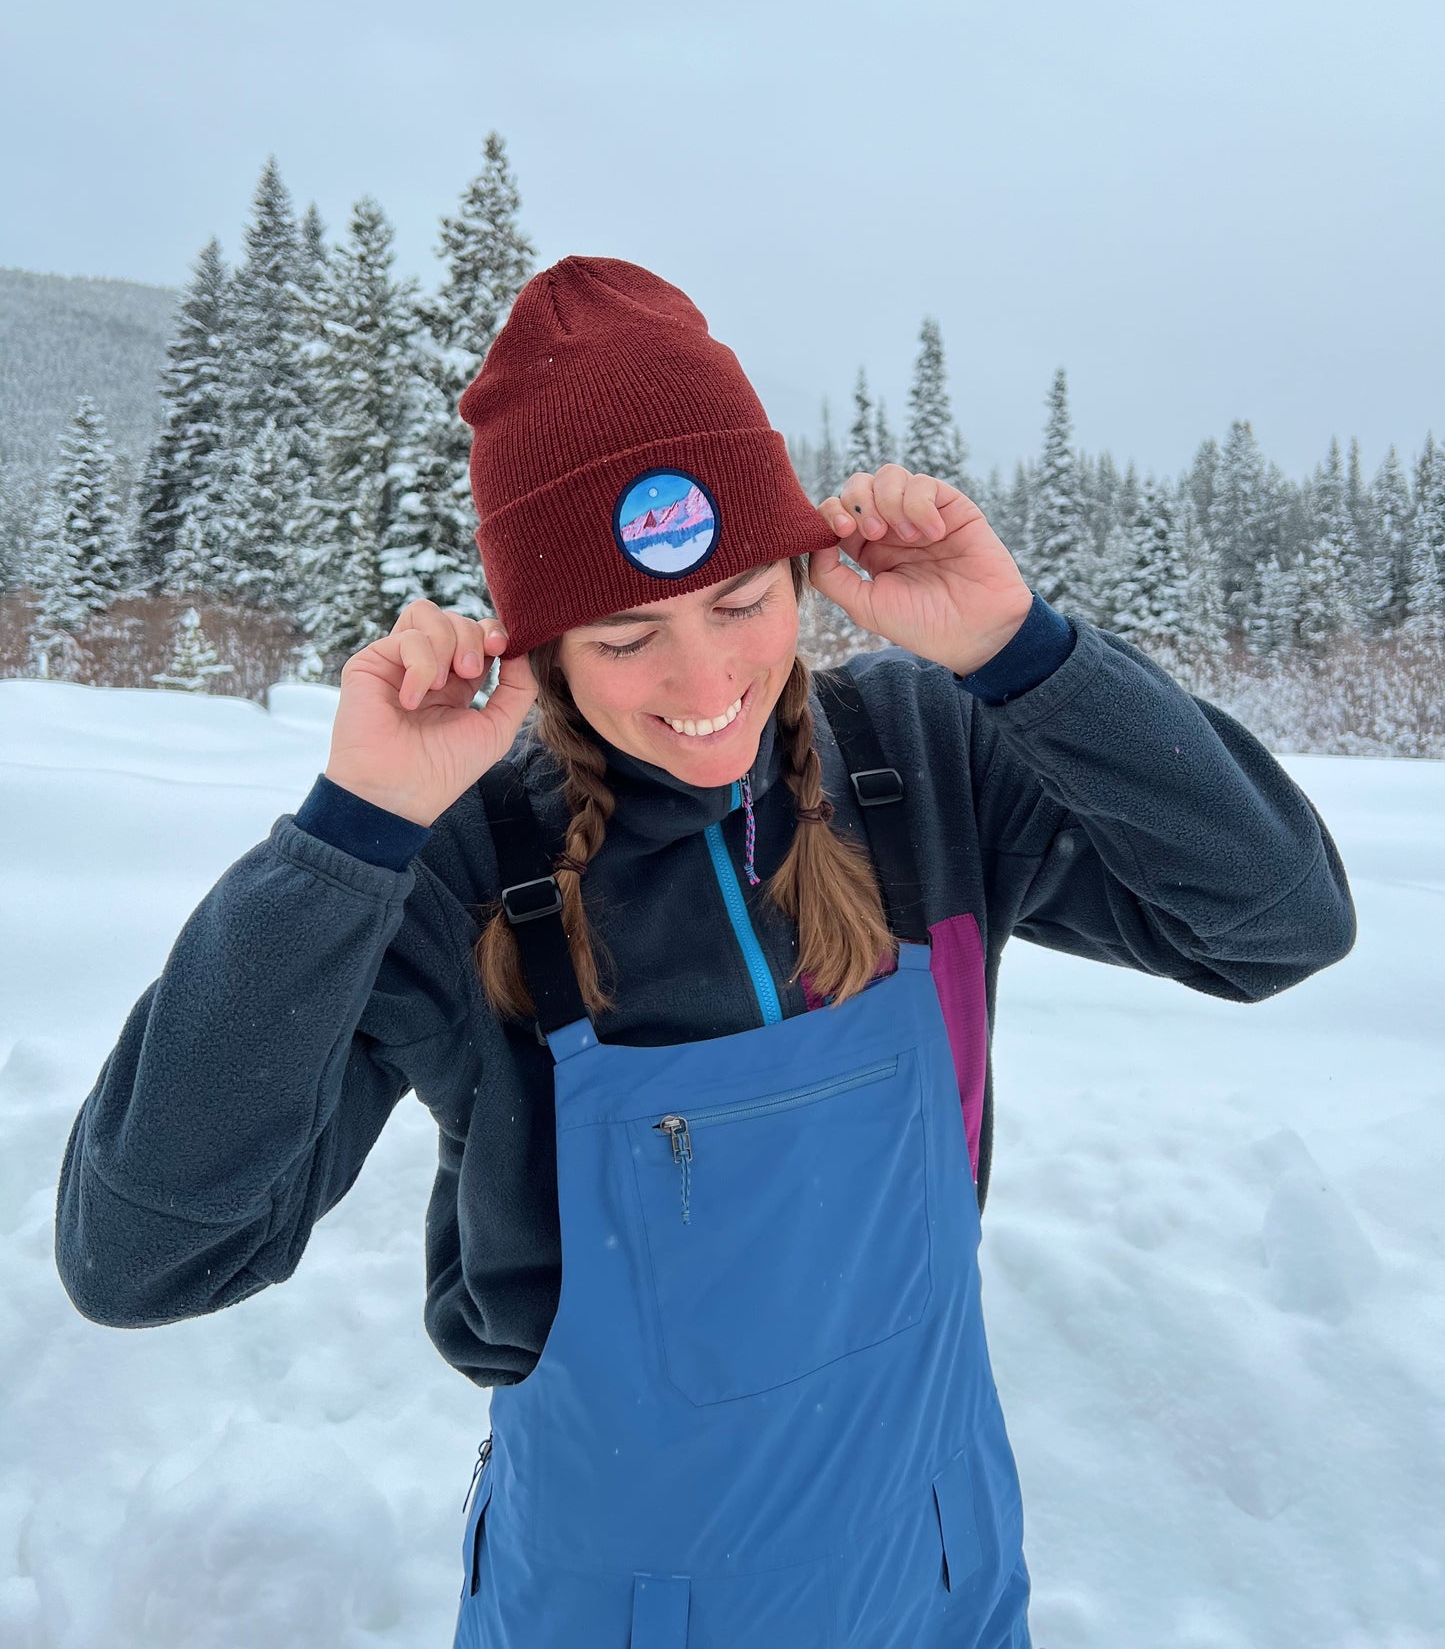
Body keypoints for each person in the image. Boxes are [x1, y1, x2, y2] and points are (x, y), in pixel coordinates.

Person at [54, 255, 1357, 1648]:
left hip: (939, 1575)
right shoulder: (468, 865)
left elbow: (1274, 924)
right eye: (625, 635)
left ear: (804, 570)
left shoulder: (925, 764)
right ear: (545, 653)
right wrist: (350, 838)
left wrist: (1019, 652)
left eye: (741, 602)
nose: (703, 684)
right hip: (625, 1608)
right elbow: (142, 1259)